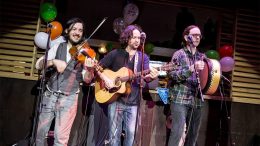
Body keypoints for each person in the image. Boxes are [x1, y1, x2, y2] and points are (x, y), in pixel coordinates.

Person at [34, 17, 95, 146]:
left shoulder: (85, 52)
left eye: (80, 30)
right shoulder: (58, 46)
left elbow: (87, 79)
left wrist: (89, 70)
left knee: (61, 139)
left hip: (69, 98)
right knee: (39, 134)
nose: (77, 32)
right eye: (74, 29)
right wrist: (53, 62)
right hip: (50, 94)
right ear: (67, 31)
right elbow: (38, 65)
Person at [97, 24, 159, 146]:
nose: (137, 40)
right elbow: (98, 67)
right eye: (134, 37)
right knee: (114, 136)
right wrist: (105, 78)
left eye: (139, 38)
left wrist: (151, 76)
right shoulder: (115, 54)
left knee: (131, 135)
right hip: (115, 100)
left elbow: (146, 77)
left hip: (133, 102)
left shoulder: (143, 57)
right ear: (127, 38)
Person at [167, 25, 205, 146]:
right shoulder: (179, 54)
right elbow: (172, 74)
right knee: (177, 132)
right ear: (186, 37)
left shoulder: (202, 57)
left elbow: (206, 79)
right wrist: (191, 69)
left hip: (197, 100)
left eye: (199, 35)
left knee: (193, 135)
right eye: (194, 35)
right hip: (180, 98)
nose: (197, 37)